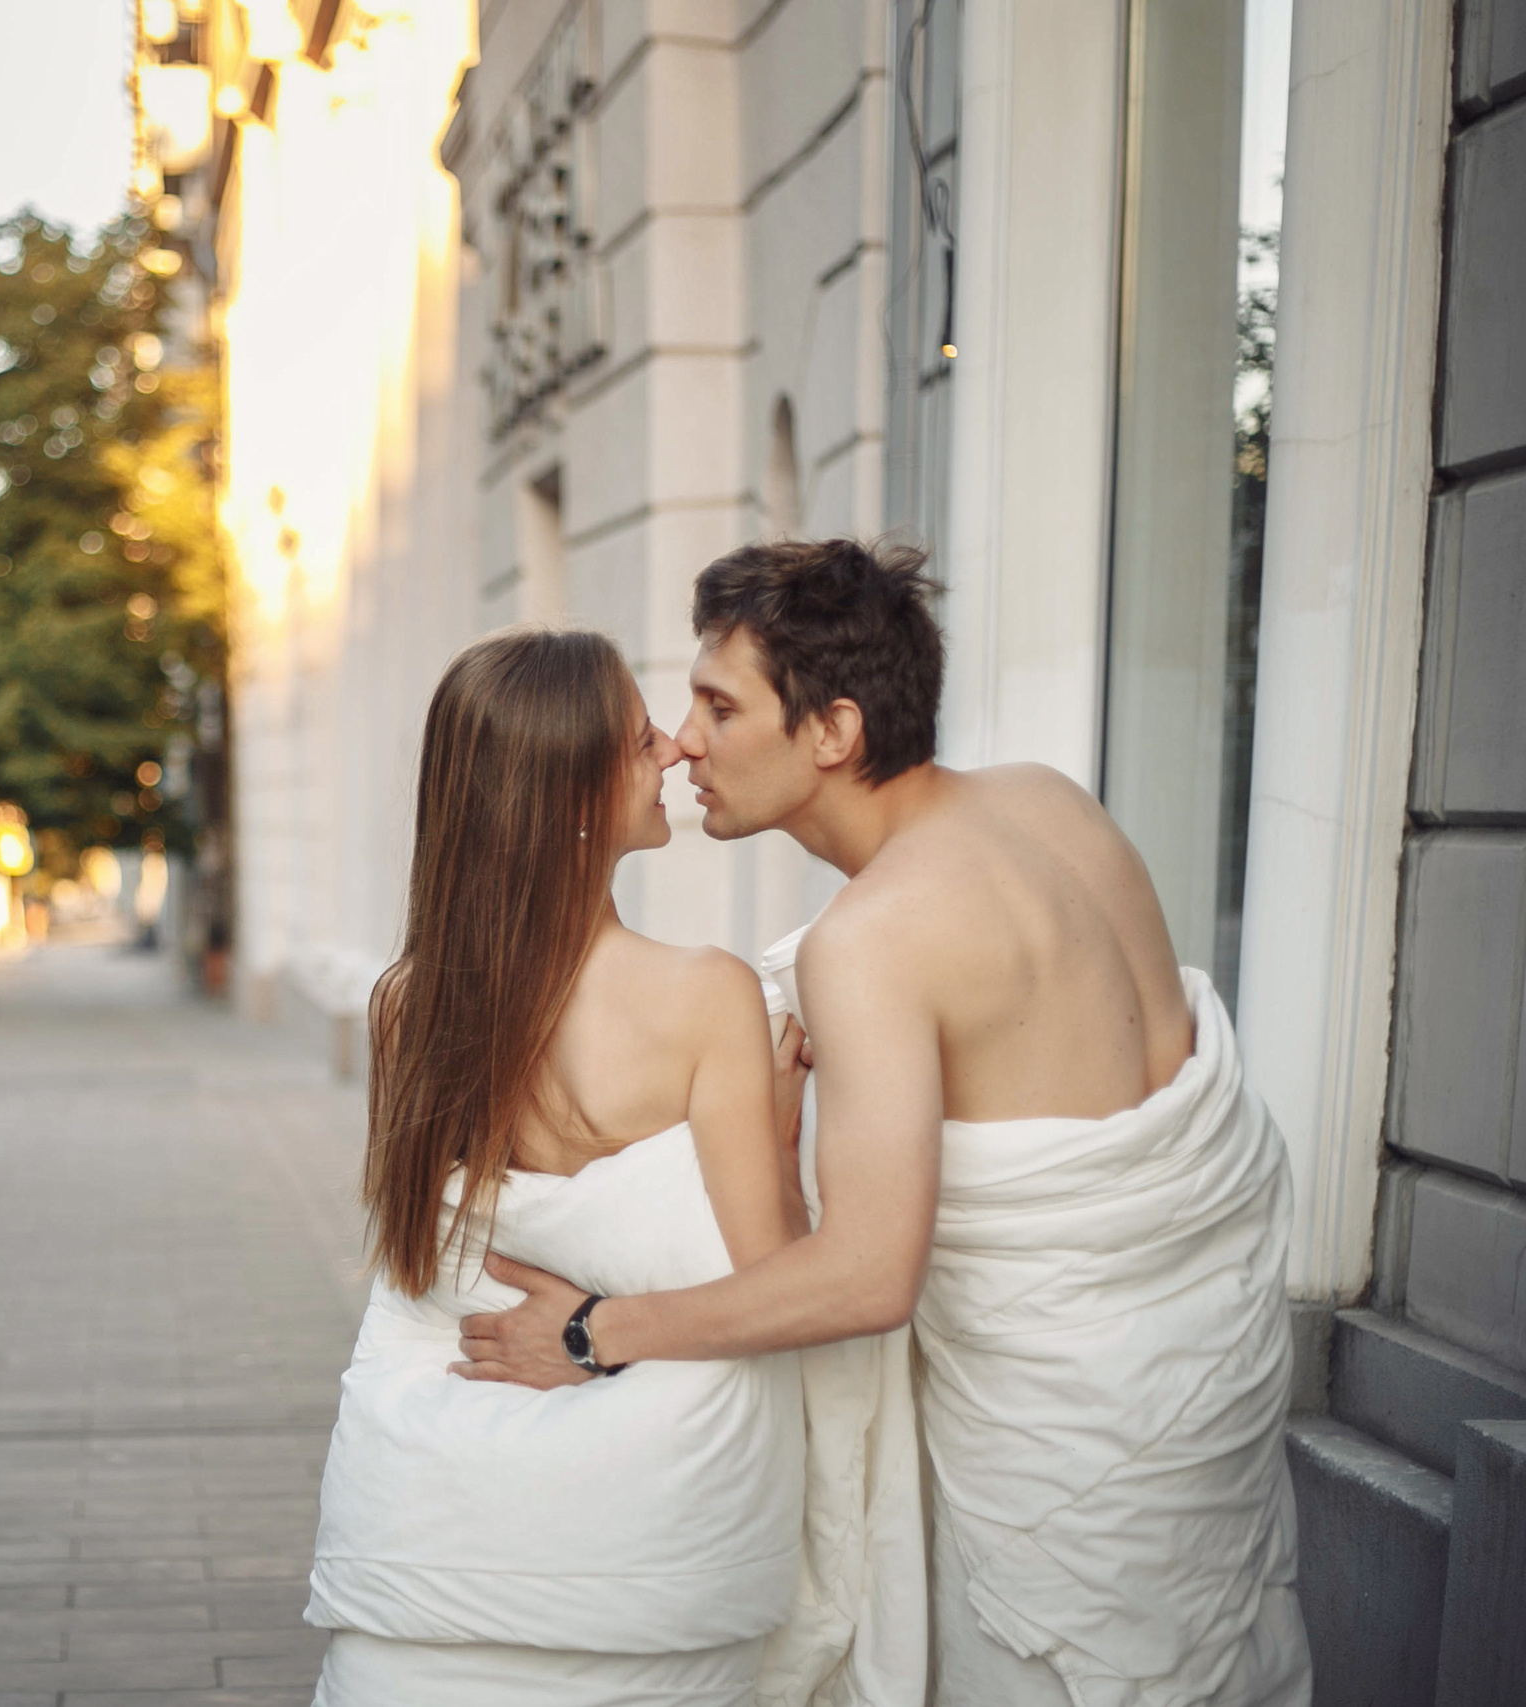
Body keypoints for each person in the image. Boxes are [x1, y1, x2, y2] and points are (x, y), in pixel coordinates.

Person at [452, 540, 1312, 1706]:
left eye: (717, 704)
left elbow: (865, 1282)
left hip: (1060, 1467)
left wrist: (596, 1332)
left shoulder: (874, 941)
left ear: (833, 732)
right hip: (1197, 1417)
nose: (682, 739)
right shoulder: (1043, 805)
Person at [303, 627, 810, 1706]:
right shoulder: (705, 997)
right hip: (642, 1540)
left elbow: (424, 1260)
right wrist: (777, 1139)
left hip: (433, 1535)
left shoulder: (407, 1006)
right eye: (638, 740)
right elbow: (778, 1289)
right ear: (570, 789)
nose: (675, 749)